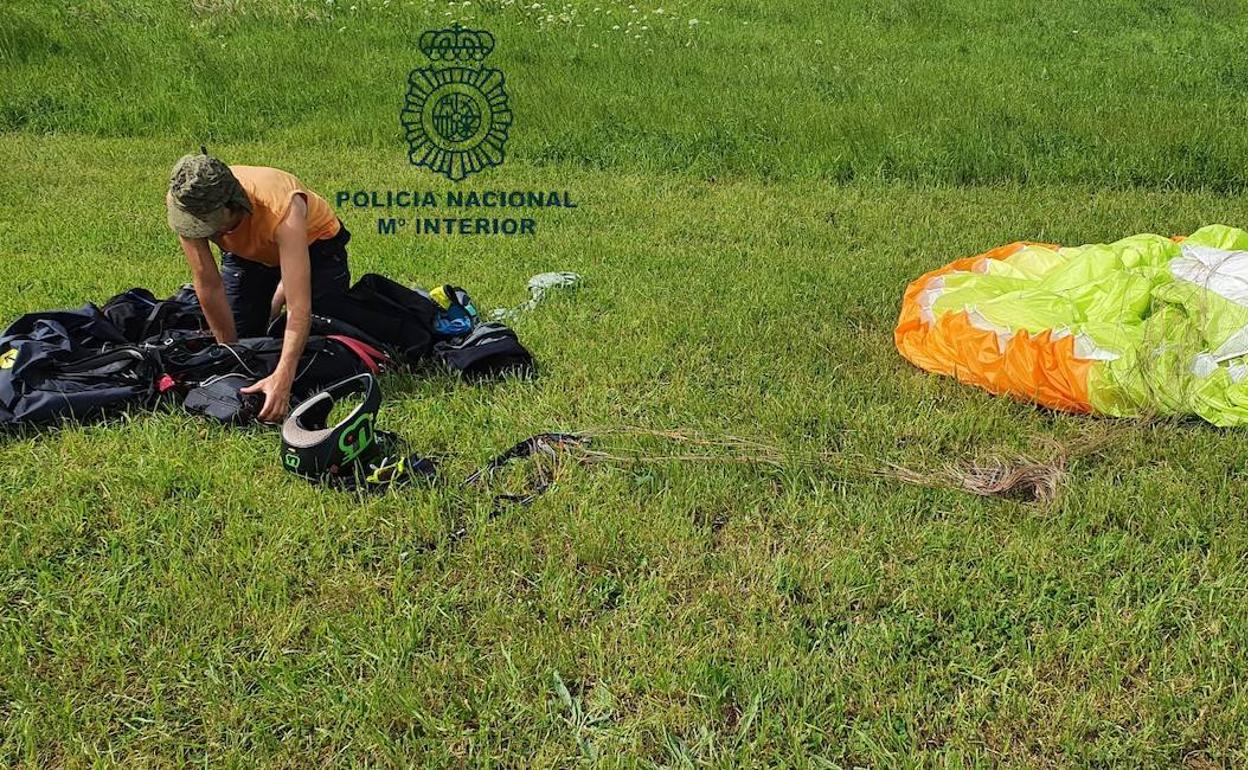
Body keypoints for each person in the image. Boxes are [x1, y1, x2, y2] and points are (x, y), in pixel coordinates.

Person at [165, 150, 351, 421]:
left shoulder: (282, 207)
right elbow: (208, 283)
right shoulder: (185, 200)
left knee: (326, 342)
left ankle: (283, 287)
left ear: (234, 205)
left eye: (213, 227)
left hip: (317, 249)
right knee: (246, 342)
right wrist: (230, 357)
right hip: (247, 255)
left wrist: (283, 379)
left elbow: (300, 309)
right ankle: (276, 289)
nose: (208, 235)